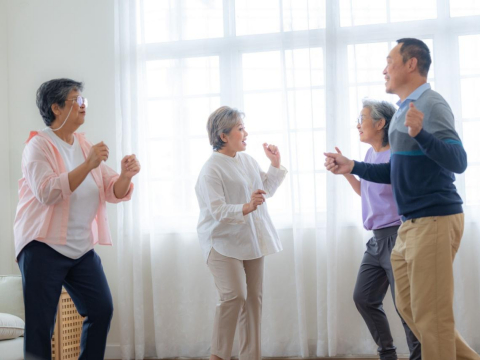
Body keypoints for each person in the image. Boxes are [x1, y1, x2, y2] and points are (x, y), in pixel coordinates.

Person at [324, 38, 479, 360]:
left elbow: (459, 161)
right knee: (411, 309)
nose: (384, 69)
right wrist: (352, 166)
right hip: (411, 223)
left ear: (411, 64)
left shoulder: (431, 104)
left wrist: (421, 133)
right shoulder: (401, 114)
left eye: (390, 61)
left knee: (431, 315)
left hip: (434, 217)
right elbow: (394, 172)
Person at [14, 78, 140, 360]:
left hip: (80, 248)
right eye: (77, 101)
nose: (84, 106)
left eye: (85, 101)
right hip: (42, 246)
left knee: (101, 309)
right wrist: (88, 165)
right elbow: (47, 192)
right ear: (56, 107)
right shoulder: (38, 146)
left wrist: (125, 176)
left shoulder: (84, 145)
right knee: (40, 326)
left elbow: (111, 190)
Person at [195, 106, 287, 360]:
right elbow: (217, 210)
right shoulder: (211, 169)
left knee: (253, 301)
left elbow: (265, 188)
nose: (246, 133)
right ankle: (219, 356)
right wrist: (246, 206)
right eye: (240, 129)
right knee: (234, 296)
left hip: (251, 239)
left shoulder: (247, 160)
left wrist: (275, 164)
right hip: (221, 242)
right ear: (223, 136)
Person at [340, 99, 420, 360]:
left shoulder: (396, 154)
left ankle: (419, 356)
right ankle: (388, 354)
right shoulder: (369, 155)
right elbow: (366, 192)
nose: (357, 125)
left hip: (397, 235)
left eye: (361, 118)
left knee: (405, 307)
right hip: (376, 240)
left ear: (380, 123)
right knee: (363, 298)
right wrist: (346, 173)